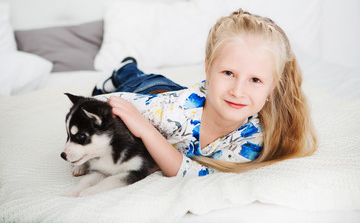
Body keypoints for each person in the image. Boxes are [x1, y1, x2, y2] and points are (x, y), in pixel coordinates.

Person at [92, 9, 318, 178]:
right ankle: (125, 70)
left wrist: (147, 133)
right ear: (208, 70)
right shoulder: (171, 110)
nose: (238, 91)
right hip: (152, 92)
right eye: (228, 73)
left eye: (255, 80)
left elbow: (193, 173)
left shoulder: (252, 138)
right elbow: (90, 110)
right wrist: (139, 123)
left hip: (181, 99)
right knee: (135, 80)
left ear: (273, 87)